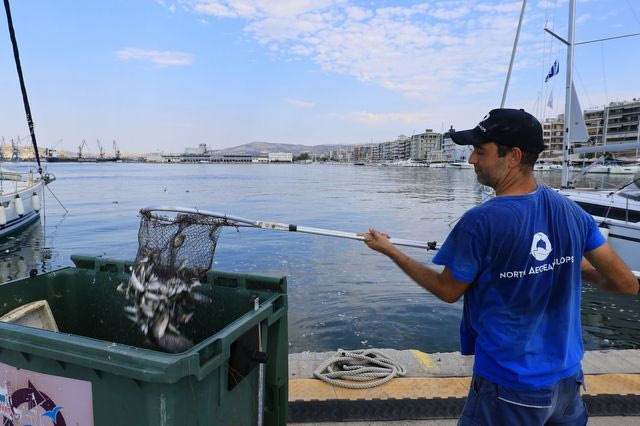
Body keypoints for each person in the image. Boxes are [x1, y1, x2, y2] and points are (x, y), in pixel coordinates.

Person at [362, 108, 639, 425]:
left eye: (481, 152)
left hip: (509, 387)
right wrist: (566, 265)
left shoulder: (480, 222)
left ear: (513, 156)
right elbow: (625, 284)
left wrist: (389, 250)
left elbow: (447, 290)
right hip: (567, 383)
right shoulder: (571, 211)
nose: (471, 161)